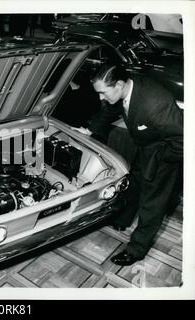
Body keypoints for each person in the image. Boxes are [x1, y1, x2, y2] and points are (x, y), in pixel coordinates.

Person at [73, 64, 183, 266]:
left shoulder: (155, 105)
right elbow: (108, 110)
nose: (100, 98)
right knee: (135, 181)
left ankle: (137, 249)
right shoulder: (124, 86)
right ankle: (122, 220)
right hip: (146, 146)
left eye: (103, 92)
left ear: (120, 85)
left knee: (153, 203)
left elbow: (184, 139)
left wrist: (163, 158)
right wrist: (90, 130)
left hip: (163, 153)